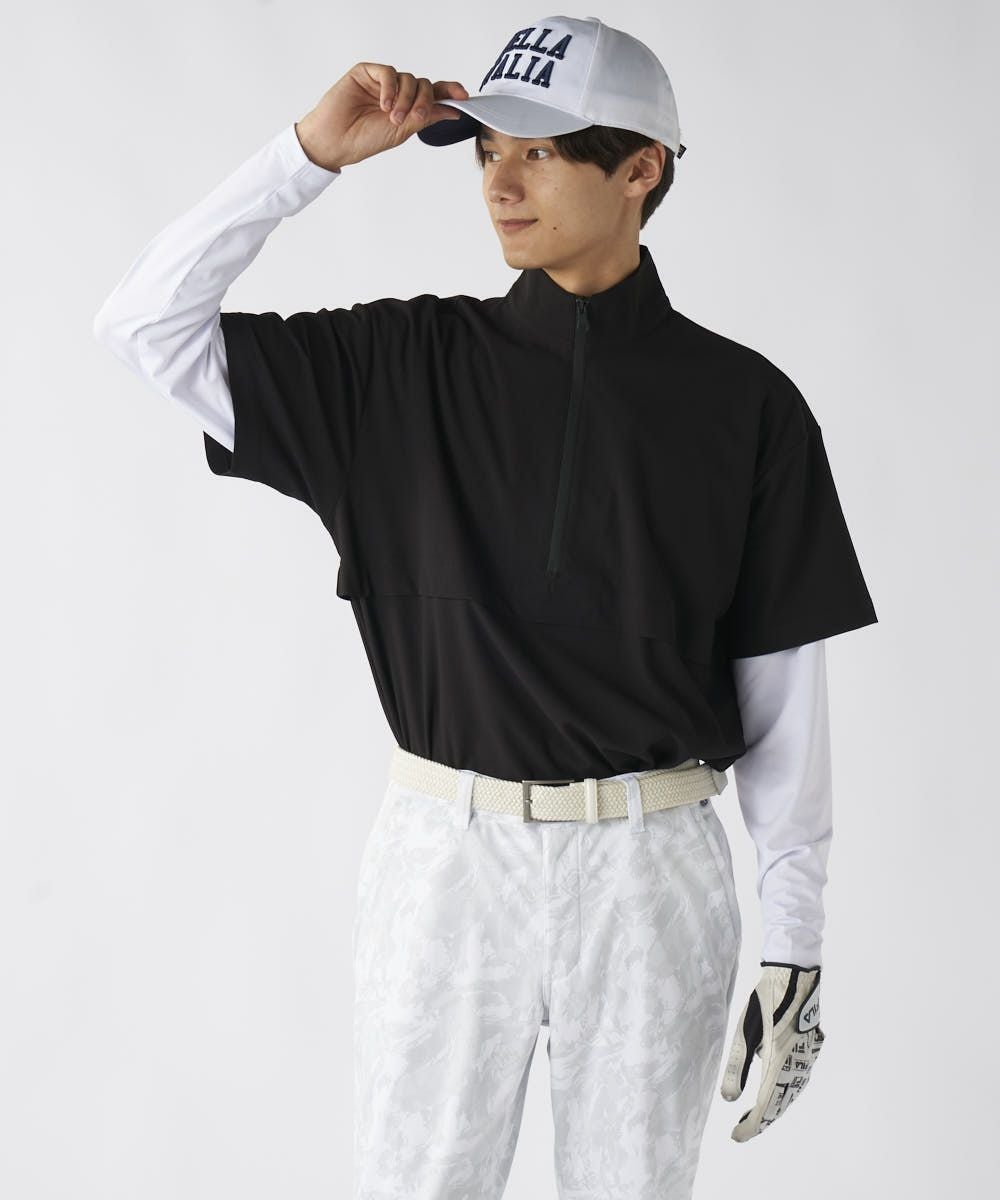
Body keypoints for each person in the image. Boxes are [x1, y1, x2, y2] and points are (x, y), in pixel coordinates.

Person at [93, 15, 877, 1198]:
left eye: (539, 152)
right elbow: (142, 324)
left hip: (653, 867)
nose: (499, 183)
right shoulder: (394, 368)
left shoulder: (746, 407)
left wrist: (796, 944)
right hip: (444, 857)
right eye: (485, 149)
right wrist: (306, 156)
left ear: (639, 169)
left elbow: (784, 704)